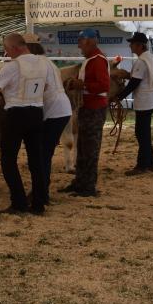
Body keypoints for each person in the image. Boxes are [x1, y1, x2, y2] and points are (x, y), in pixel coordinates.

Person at [0, 32, 51, 215]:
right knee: (36, 161)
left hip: (16, 115)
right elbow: (46, 86)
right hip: (37, 112)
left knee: (8, 160)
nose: (6, 53)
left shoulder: (13, 66)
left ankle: (19, 203)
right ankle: (39, 204)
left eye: (7, 49)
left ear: (15, 47)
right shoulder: (42, 62)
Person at [59, 29, 110, 197]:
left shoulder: (97, 60)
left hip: (93, 108)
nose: (79, 45)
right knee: (82, 147)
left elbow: (104, 85)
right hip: (87, 107)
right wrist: (77, 84)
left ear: (89, 41)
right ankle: (80, 182)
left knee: (89, 149)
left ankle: (88, 186)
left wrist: (83, 85)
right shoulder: (91, 60)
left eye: (80, 41)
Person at [25, 34, 72, 196]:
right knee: (44, 152)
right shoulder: (47, 62)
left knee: (42, 154)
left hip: (53, 111)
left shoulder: (35, 63)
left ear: (27, 48)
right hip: (60, 109)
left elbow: (37, 89)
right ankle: (41, 189)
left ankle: (41, 192)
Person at [112, 32, 153, 175]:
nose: (130, 46)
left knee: (141, 133)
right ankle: (151, 162)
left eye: (132, 44)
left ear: (139, 45)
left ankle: (142, 165)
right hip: (151, 99)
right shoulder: (150, 57)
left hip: (145, 101)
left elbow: (134, 84)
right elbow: (141, 78)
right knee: (144, 133)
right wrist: (127, 74)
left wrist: (118, 97)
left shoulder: (141, 61)